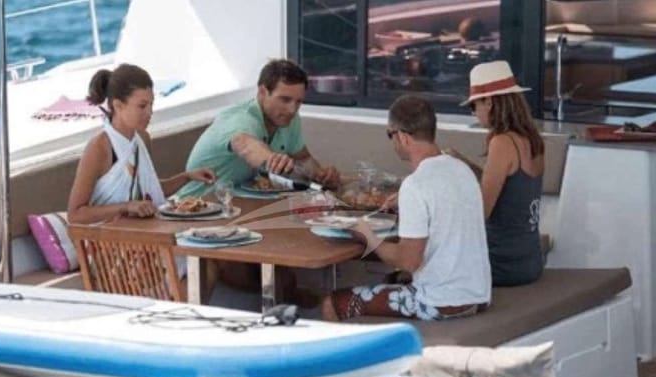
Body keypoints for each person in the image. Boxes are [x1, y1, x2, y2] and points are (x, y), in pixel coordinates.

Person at [321, 95, 491, 321]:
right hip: (478, 296)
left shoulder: (415, 184)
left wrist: (368, 236)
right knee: (390, 282)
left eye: (390, 135)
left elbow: (408, 261)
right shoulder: (461, 170)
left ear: (402, 136)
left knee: (333, 303)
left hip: (441, 302)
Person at [68, 63, 215, 224]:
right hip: (110, 236)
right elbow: (76, 214)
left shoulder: (142, 138)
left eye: (151, 105)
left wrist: (187, 177)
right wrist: (125, 207)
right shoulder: (100, 147)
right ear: (118, 105)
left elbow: (149, 189)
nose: (149, 112)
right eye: (142, 106)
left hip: (144, 230)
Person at [176, 59, 341, 198]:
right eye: (285, 100)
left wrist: (320, 175)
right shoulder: (241, 118)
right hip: (194, 207)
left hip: (240, 204)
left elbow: (303, 159)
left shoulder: (289, 119)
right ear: (262, 92)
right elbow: (244, 144)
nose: (292, 109)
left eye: (298, 102)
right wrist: (272, 159)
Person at [461, 60, 545, 286]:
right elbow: (510, 188)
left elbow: (480, 213)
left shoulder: (502, 142)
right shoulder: (533, 140)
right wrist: (463, 165)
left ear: (488, 102)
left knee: (422, 265)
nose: (474, 113)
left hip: (500, 264)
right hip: (530, 261)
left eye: (473, 106)